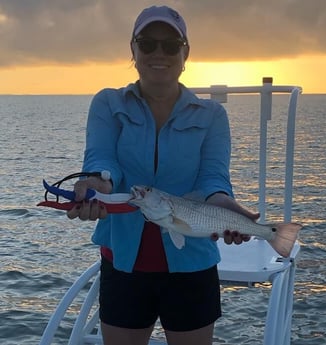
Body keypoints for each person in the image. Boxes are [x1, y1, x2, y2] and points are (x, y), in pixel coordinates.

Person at [67, 5, 259, 345]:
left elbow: (213, 180)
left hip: (192, 266)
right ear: (133, 50)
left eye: (170, 45)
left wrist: (225, 206)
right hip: (123, 263)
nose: (159, 53)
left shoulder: (212, 115)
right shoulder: (108, 104)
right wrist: (96, 184)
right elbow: (101, 161)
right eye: (147, 43)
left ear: (185, 53)